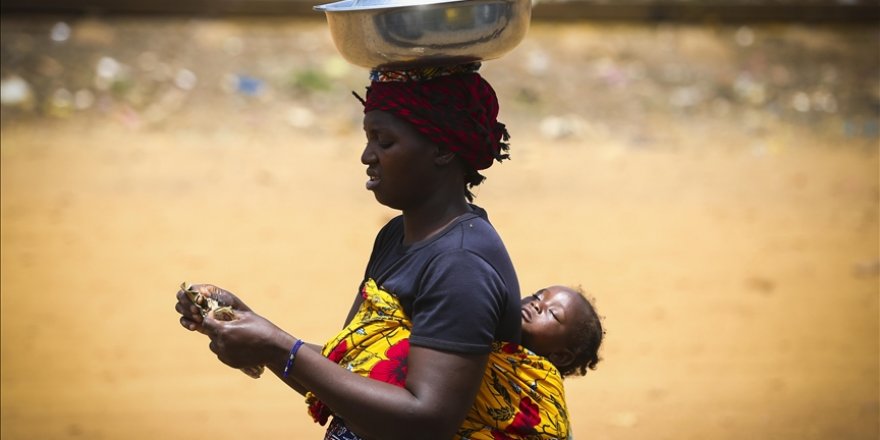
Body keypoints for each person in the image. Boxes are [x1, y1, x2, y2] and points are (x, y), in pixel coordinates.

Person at [175, 63, 523, 440]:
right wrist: (250, 325)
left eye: (384, 142)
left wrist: (277, 348)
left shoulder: (460, 263)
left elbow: (427, 420)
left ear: (441, 149)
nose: (367, 156)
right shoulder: (397, 236)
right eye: (368, 138)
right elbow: (348, 374)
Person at [305, 282, 604, 439]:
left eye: (552, 313)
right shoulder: (482, 343)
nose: (536, 306)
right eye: (538, 296)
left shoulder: (540, 387)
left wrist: (282, 350)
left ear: (561, 355)